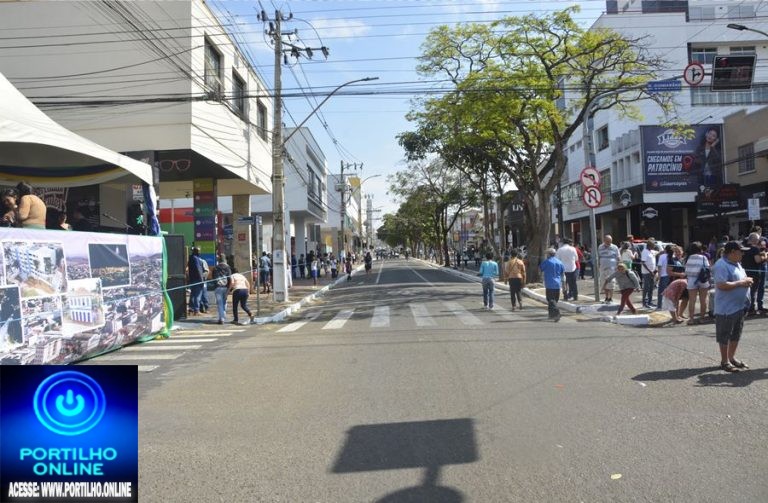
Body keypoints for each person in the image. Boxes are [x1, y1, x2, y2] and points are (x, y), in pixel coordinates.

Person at [712, 241, 753, 372]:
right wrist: (741, 282)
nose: (743, 254)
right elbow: (722, 285)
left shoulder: (737, 264)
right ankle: (725, 361)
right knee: (724, 335)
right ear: (733, 252)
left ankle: (731, 358)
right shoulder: (721, 265)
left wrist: (746, 281)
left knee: (736, 334)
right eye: (741, 252)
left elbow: (740, 280)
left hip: (739, 306)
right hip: (726, 308)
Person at [684, 241, 711, 325]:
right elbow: (707, 268)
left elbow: (686, 271)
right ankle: (702, 318)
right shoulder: (703, 257)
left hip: (691, 280)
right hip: (702, 279)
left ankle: (691, 319)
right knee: (703, 300)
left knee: (692, 300)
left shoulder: (688, 258)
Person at [740, 232, 765, 315]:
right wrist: (764, 257)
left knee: (745, 291)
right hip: (754, 273)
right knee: (753, 291)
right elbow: (757, 260)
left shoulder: (742, 248)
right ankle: (751, 308)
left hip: (743, 272)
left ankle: (746, 307)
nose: (758, 241)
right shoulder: (755, 249)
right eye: (758, 240)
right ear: (755, 240)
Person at [692, 126, 723, 192]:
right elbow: (696, 161)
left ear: (716, 139)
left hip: (713, 177)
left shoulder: (717, 150)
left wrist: (712, 147)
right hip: (702, 177)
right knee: (703, 194)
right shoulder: (699, 148)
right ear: (706, 134)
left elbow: (718, 160)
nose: (710, 136)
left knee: (711, 194)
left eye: (713, 136)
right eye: (710, 133)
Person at [540, 248, 564, 322]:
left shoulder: (547, 261)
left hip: (550, 284)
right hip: (557, 284)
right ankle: (551, 315)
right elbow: (562, 272)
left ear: (549, 254)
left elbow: (541, 268)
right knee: (555, 300)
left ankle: (557, 313)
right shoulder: (560, 262)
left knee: (551, 300)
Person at [597, 234, 620, 304]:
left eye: (610, 241)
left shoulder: (615, 247)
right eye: (607, 241)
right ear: (604, 240)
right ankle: (606, 297)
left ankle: (611, 298)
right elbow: (598, 256)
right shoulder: (600, 247)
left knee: (611, 283)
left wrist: (618, 265)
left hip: (612, 269)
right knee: (604, 282)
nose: (609, 243)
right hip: (603, 268)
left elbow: (618, 257)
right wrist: (598, 265)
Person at [211, 254, 232, 325]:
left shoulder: (215, 268)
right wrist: (229, 288)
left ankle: (222, 319)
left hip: (218, 287)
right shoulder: (228, 268)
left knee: (220, 303)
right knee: (224, 302)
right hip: (226, 287)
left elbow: (213, 278)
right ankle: (223, 316)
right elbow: (230, 278)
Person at [186, 247, 205, 316]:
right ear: (196, 252)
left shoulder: (190, 258)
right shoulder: (196, 259)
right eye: (199, 251)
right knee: (197, 295)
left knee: (193, 295)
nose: (200, 252)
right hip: (197, 279)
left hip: (192, 279)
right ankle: (196, 310)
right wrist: (201, 280)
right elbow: (198, 269)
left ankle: (191, 309)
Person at [639, 238, 658, 309]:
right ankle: (645, 303)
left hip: (652, 272)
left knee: (651, 287)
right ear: (649, 245)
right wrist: (650, 271)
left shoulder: (651, 251)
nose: (654, 247)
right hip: (647, 273)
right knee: (646, 287)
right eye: (653, 245)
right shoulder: (645, 252)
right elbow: (643, 263)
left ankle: (650, 301)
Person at [656, 245, 672, 310]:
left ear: (665, 250)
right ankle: (668, 306)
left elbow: (659, 266)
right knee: (669, 291)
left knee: (661, 292)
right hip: (670, 275)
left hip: (663, 275)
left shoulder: (662, 256)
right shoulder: (672, 256)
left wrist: (659, 275)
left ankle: (659, 306)